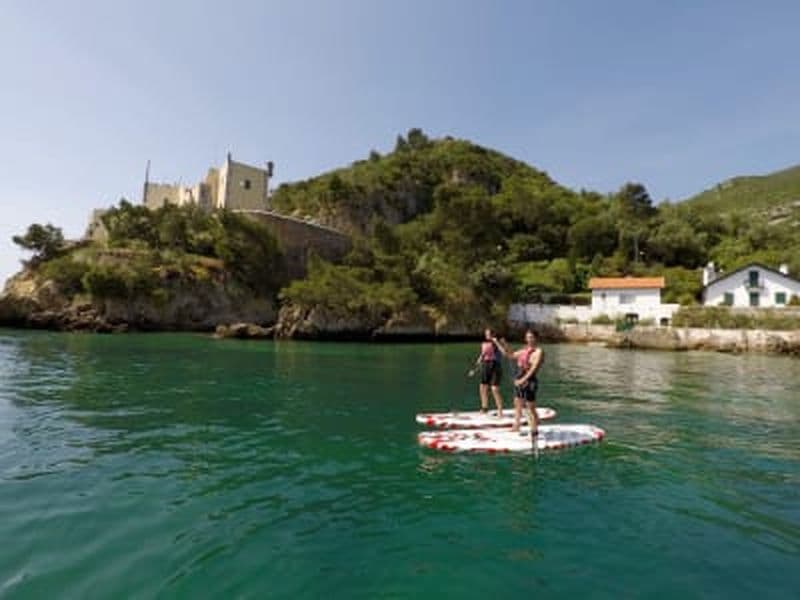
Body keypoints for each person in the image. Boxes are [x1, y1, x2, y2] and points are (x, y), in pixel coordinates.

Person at [496, 329, 543, 435]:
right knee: (517, 403)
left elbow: (533, 369)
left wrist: (523, 380)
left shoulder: (539, 352)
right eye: (527, 337)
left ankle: (535, 428)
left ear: (536, 338)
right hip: (520, 379)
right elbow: (510, 355)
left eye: (531, 337)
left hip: (530, 380)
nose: (529, 339)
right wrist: (503, 344)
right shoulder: (523, 351)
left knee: (530, 406)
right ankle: (517, 425)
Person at [470, 328, 505, 416]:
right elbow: (482, 355)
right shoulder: (484, 343)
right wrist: (475, 367)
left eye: (488, 333)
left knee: (494, 389)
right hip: (486, 365)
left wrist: (497, 342)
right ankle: (484, 408)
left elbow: (504, 352)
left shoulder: (498, 343)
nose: (486, 335)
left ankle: (500, 411)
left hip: (495, 366)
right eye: (486, 333)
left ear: (493, 334)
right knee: (482, 387)